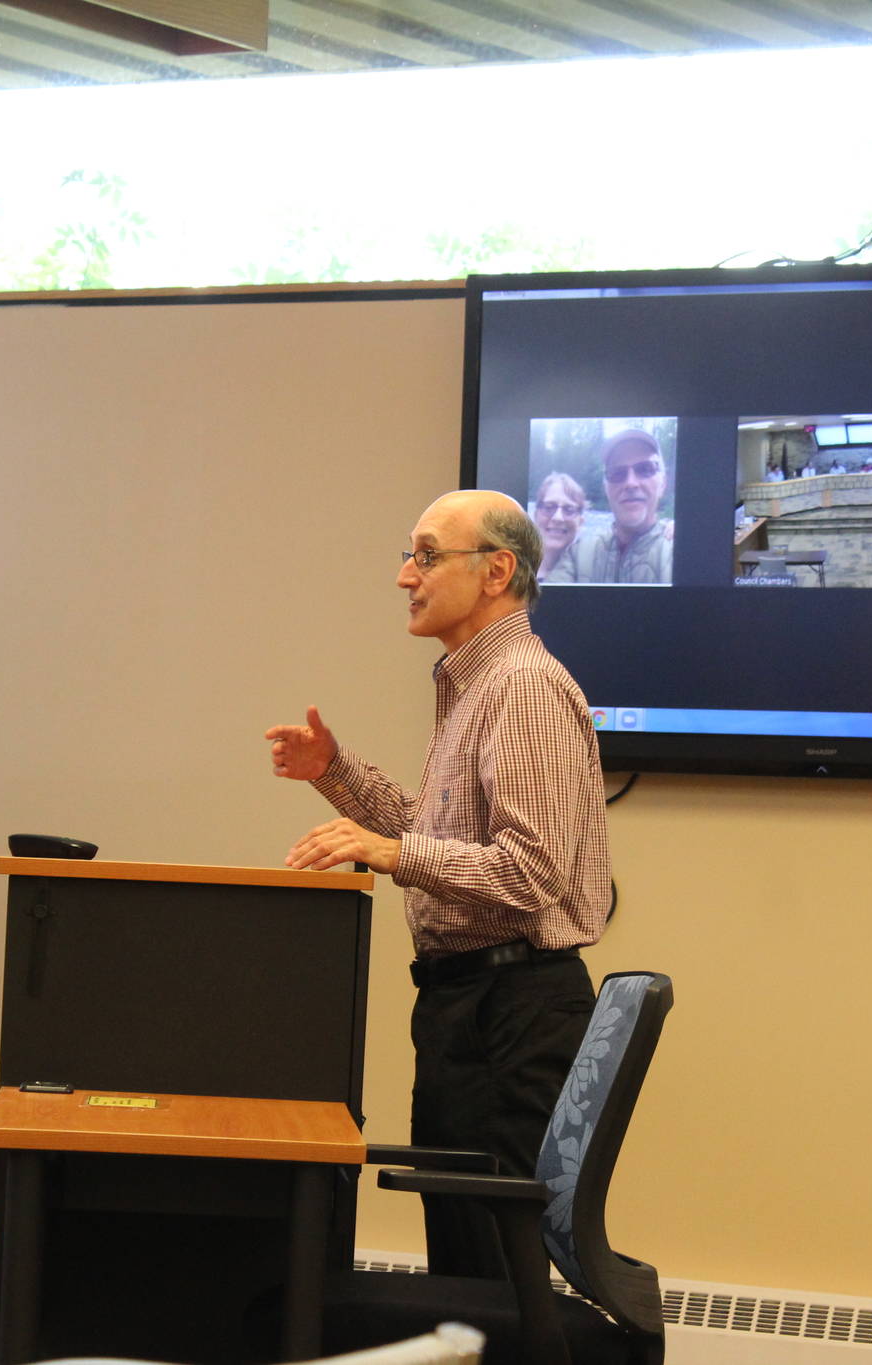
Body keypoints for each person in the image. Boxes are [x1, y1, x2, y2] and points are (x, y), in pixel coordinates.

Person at [265, 489, 611, 1277]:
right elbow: (434, 835)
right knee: (469, 1271)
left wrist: (390, 855)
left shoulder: (521, 685)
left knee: (494, 1278)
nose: (403, 575)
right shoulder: (476, 686)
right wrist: (335, 772)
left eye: (424, 555)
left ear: (496, 571)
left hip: (511, 1015)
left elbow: (530, 871)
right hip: (470, 1009)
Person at [571, 429, 673, 585]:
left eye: (645, 469)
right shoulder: (578, 554)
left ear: (663, 484)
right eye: (617, 473)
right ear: (606, 488)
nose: (630, 483)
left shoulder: (679, 552)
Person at [528, 470, 586, 582]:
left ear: (580, 522)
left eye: (569, 510)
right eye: (549, 507)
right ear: (535, 516)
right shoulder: (514, 571)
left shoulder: (589, 576)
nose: (558, 517)